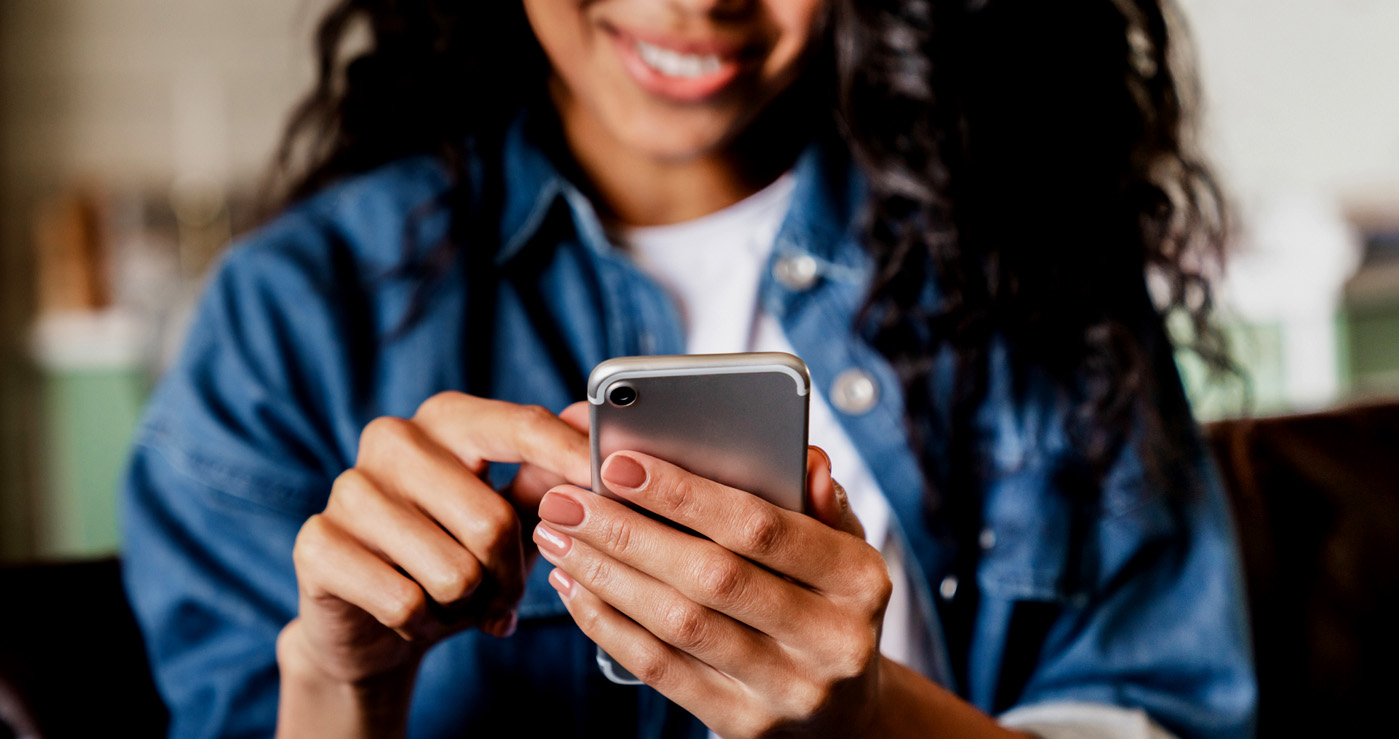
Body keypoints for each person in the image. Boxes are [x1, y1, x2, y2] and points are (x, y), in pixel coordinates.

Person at [121, 0, 1257, 737]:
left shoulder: (1033, 257)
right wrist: (339, 683)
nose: (693, 2)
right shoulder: (294, 314)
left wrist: (867, 722)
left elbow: (1160, 707)